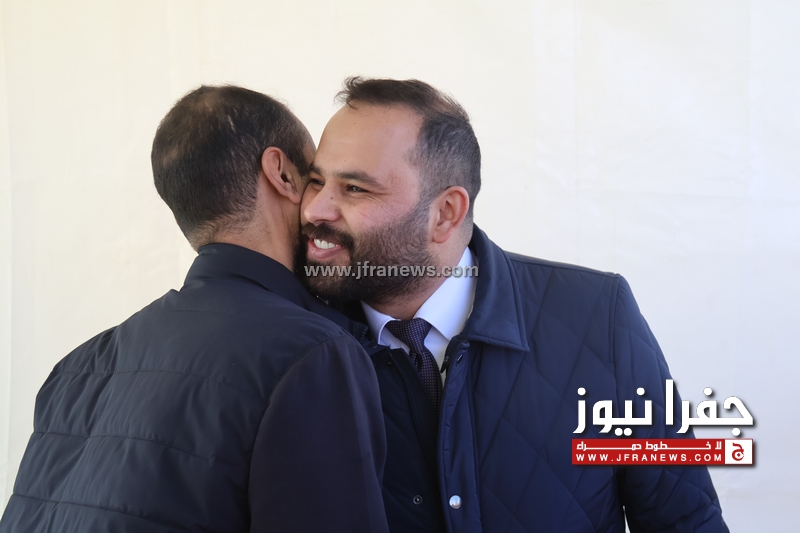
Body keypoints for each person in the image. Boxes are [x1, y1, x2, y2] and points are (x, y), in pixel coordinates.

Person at [299, 77, 728, 532]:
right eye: (315, 181)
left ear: (445, 213)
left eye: (355, 189)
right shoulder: (293, 337)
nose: (314, 210)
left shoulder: (597, 316)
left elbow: (685, 519)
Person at [0, 85, 389, 533]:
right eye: (315, 179)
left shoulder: (77, 367)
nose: (322, 204)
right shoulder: (311, 353)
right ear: (281, 173)